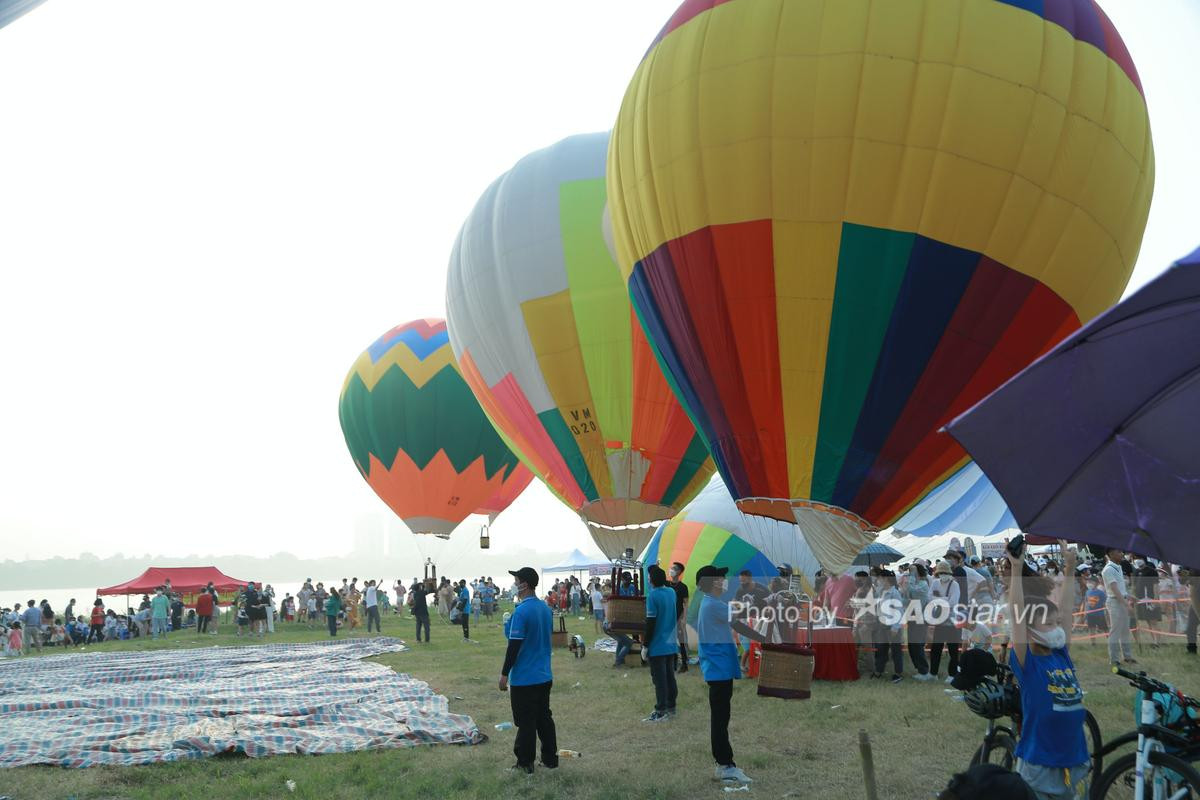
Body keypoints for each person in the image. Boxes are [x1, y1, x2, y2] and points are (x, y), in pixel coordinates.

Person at [1006, 540, 1089, 800]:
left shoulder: (1061, 653)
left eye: (1056, 623)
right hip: (1039, 763)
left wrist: (1070, 567)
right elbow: (1016, 612)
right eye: (1048, 624)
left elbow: (1065, 610)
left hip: (1073, 759)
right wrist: (1016, 569)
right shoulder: (1028, 662)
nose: (1056, 628)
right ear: (1029, 629)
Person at [695, 565, 762, 785]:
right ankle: (725, 765)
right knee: (720, 719)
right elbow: (740, 617)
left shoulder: (713, 604)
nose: (724, 580)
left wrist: (759, 637)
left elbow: (737, 624)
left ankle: (725, 763)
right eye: (721, 578)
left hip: (719, 669)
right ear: (712, 582)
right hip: (718, 669)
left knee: (721, 717)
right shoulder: (712, 605)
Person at [499, 566, 557, 775]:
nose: (514, 585)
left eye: (516, 581)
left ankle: (525, 763)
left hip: (525, 677)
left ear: (524, 584)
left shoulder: (522, 611)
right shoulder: (545, 609)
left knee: (525, 721)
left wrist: (504, 674)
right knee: (544, 718)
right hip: (544, 674)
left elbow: (514, 646)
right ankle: (550, 759)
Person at [643, 565, 680, 721]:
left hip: (658, 645)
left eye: (649, 577)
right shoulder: (671, 592)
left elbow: (651, 622)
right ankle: (671, 707)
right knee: (670, 677)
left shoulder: (653, 596)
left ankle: (661, 710)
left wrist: (645, 645)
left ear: (652, 580)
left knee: (660, 680)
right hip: (671, 643)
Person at [1101, 547, 1135, 665]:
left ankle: (1128, 656)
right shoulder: (1108, 569)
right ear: (1110, 554)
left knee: (1125, 630)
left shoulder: (1118, 567)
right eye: (1118, 552)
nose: (1121, 554)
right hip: (1115, 602)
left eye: (1122, 551)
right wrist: (1127, 605)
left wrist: (1129, 596)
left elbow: (1120, 588)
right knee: (1115, 631)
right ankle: (1114, 659)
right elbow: (1114, 589)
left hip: (1121, 600)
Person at [929, 562, 962, 682]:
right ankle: (933, 673)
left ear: (949, 573)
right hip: (939, 621)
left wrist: (938, 600)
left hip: (952, 622)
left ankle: (952, 674)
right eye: (941, 573)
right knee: (935, 649)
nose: (943, 575)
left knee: (953, 650)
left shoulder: (955, 585)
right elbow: (929, 598)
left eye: (945, 572)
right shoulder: (935, 583)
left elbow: (953, 602)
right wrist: (944, 599)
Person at [871, 569, 905, 683]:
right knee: (881, 650)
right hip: (882, 625)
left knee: (896, 651)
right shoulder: (880, 591)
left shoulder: (895, 593)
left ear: (886, 579)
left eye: (880, 578)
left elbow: (899, 611)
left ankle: (898, 673)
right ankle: (879, 671)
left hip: (893, 626)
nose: (878, 580)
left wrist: (895, 627)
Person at [905, 563, 932, 680]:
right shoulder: (914, 583)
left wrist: (911, 576)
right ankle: (919, 670)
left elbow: (912, 591)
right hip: (912, 615)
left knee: (917, 644)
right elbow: (907, 595)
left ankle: (924, 671)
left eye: (913, 572)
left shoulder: (923, 584)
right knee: (911, 645)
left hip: (920, 617)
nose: (911, 574)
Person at [668, 562, 690, 672]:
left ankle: (685, 664)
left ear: (679, 572)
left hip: (679, 618)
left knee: (681, 641)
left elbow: (685, 604)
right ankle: (673, 663)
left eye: (674, 568)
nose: (671, 570)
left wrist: (684, 618)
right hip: (668, 619)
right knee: (671, 641)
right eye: (671, 567)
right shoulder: (666, 584)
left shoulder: (683, 587)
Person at [1083, 577, 1107, 642]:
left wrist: (1106, 612)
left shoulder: (1101, 593)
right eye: (1088, 582)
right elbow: (1086, 602)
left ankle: (1110, 639)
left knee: (1105, 628)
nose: (1089, 584)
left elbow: (1105, 603)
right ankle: (1093, 643)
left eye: (1091, 582)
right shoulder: (1087, 592)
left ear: (1096, 583)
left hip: (1100, 614)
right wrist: (1085, 611)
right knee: (1091, 629)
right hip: (1090, 614)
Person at [409, 578, 431, 643]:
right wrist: (426, 583)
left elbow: (425, 590)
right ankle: (427, 640)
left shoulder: (415, 594)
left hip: (417, 613)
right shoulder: (422, 593)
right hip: (424, 613)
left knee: (418, 626)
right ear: (419, 588)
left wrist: (423, 584)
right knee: (426, 627)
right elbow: (428, 590)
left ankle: (418, 639)